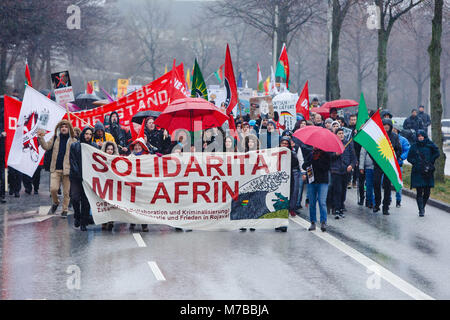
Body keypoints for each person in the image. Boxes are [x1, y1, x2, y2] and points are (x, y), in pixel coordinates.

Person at [37, 120, 77, 217]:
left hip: (67, 171)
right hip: (55, 169)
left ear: (69, 129)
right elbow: (46, 147)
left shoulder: (73, 140)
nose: (64, 128)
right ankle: (55, 202)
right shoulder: (55, 138)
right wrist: (40, 138)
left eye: (66, 127)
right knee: (53, 189)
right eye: (62, 127)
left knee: (66, 192)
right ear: (59, 128)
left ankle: (65, 210)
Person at [407, 130, 440, 217]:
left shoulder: (430, 144)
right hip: (418, 171)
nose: (420, 137)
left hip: (428, 171)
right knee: (419, 191)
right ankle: (421, 210)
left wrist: (431, 161)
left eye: (422, 136)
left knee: (427, 192)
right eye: (419, 136)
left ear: (424, 136)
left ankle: (423, 206)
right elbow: (409, 158)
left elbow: (437, 153)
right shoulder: (414, 146)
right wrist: (416, 162)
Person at [373, 118, 402, 215]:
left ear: (390, 126)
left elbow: (399, 149)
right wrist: (375, 159)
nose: (386, 127)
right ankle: (377, 203)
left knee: (387, 186)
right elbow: (372, 150)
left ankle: (386, 207)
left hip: (389, 164)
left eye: (388, 125)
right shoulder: (378, 136)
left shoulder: (394, 136)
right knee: (376, 183)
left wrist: (394, 157)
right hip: (378, 163)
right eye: (384, 125)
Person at [69, 126, 96, 231]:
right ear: (83, 134)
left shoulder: (93, 146)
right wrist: (78, 173)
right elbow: (73, 160)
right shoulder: (75, 145)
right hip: (76, 177)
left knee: (86, 200)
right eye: (86, 134)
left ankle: (83, 222)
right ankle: (77, 216)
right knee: (75, 198)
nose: (88, 136)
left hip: (88, 177)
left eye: (90, 134)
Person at [329, 128, 356, 219]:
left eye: (342, 133)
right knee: (337, 190)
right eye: (339, 133)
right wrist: (335, 154)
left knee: (343, 190)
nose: (341, 135)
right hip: (336, 171)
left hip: (345, 170)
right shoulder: (333, 144)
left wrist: (351, 165)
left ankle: (341, 207)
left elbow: (353, 157)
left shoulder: (348, 144)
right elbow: (329, 157)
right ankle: (336, 208)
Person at [303, 147, 331, 232]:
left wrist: (317, 161)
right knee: (312, 202)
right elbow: (304, 166)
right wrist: (310, 161)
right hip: (311, 181)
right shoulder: (310, 154)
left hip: (322, 181)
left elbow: (326, 167)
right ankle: (312, 222)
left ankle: (323, 221)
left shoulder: (326, 155)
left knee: (322, 202)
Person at [128, 136, 150, 232]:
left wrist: (159, 158)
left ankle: (144, 224)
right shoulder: (130, 157)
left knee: (143, 205)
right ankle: (132, 221)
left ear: (142, 147)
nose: (137, 148)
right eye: (135, 146)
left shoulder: (148, 157)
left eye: (139, 146)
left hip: (144, 184)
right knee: (133, 204)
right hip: (133, 184)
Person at [100, 141, 120, 230]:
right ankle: (104, 221)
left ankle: (111, 220)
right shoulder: (99, 159)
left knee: (111, 203)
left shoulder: (117, 159)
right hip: (103, 183)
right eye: (108, 149)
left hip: (113, 184)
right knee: (103, 202)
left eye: (111, 149)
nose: (110, 151)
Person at [392, 124, 410, 207]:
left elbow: (407, 150)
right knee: (387, 183)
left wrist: (401, 158)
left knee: (398, 184)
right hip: (389, 164)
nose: (393, 131)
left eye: (395, 129)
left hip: (398, 165)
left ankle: (398, 200)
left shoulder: (403, 140)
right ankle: (388, 199)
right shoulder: (387, 138)